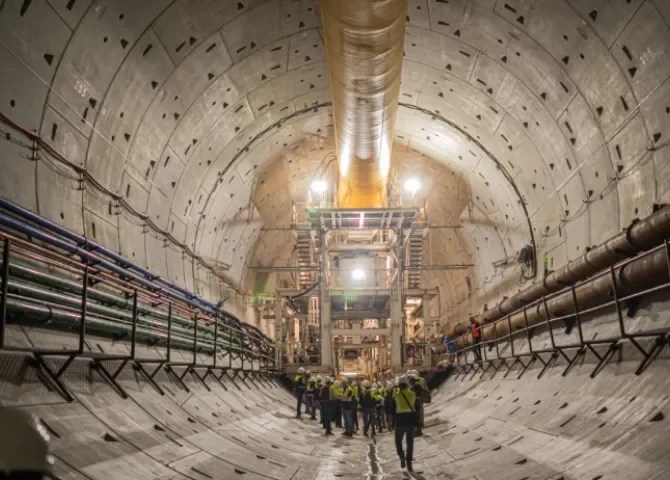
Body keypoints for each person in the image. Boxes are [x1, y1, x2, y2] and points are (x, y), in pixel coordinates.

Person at [394, 376, 418, 472]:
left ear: (399, 386)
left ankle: (401, 455)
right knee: (410, 443)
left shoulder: (395, 395)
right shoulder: (413, 395)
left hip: (400, 421)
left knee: (398, 441)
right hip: (410, 421)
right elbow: (417, 408)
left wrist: (390, 423)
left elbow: (392, 410)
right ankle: (409, 464)